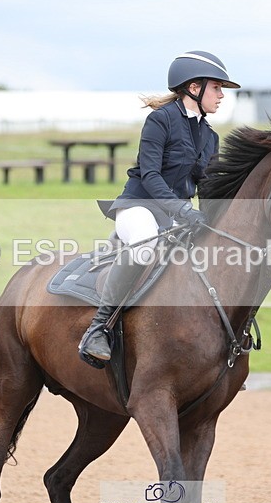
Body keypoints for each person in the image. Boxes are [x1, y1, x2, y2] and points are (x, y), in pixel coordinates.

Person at [79, 51, 240, 366]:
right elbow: (151, 176)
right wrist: (182, 212)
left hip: (177, 218)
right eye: (217, 87)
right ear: (195, 87)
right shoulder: (160, 120)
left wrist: (214, 220)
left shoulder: (210, 136)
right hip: (139, 207)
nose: (221, 95)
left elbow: (206, 186)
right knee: (146, 245)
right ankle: (99, 327)